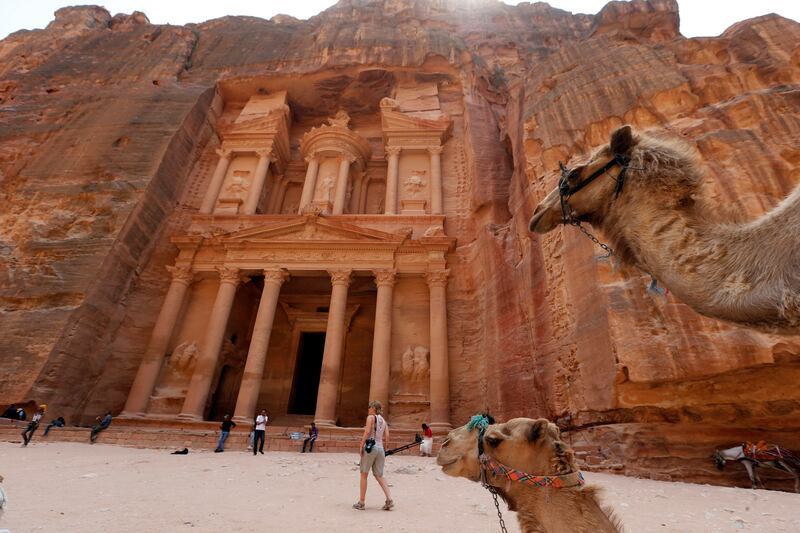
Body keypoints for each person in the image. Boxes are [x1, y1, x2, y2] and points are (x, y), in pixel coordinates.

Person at [353, 400, 393, 511]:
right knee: (379, 475)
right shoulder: (384, 421)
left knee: (364, 474)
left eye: (369, 407)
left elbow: (367, 431)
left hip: (371, 447)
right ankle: (389, 499)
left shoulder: (370, 418)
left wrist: (361, 445)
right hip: (380, 449)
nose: (368, 409)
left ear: (374, 408)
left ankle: (361, 502)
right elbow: (387, 436)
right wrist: (385, 449)